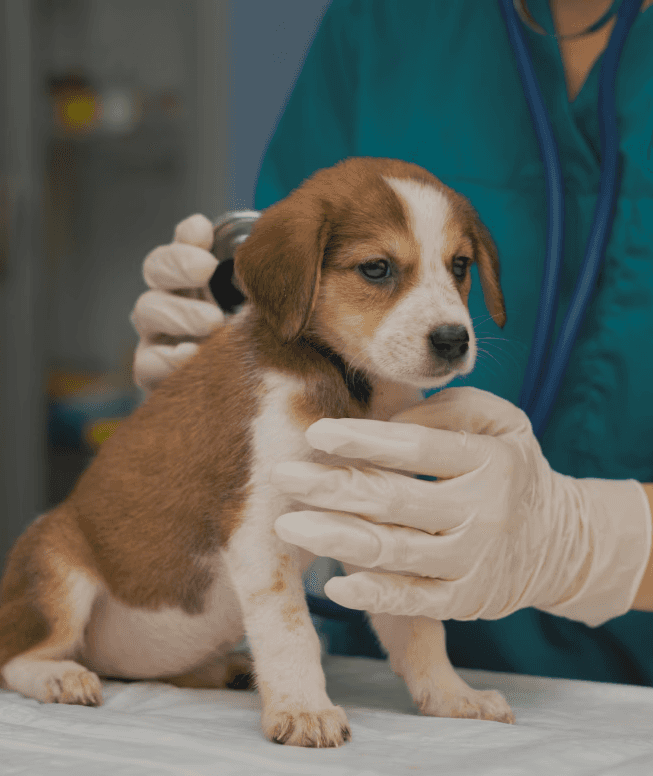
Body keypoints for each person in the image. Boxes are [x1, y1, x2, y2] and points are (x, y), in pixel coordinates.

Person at [130, 0, 653, 685]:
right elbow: (287, 284)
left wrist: (596, 544)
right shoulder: (388, 18)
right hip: (378, 671)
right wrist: (213, 355)